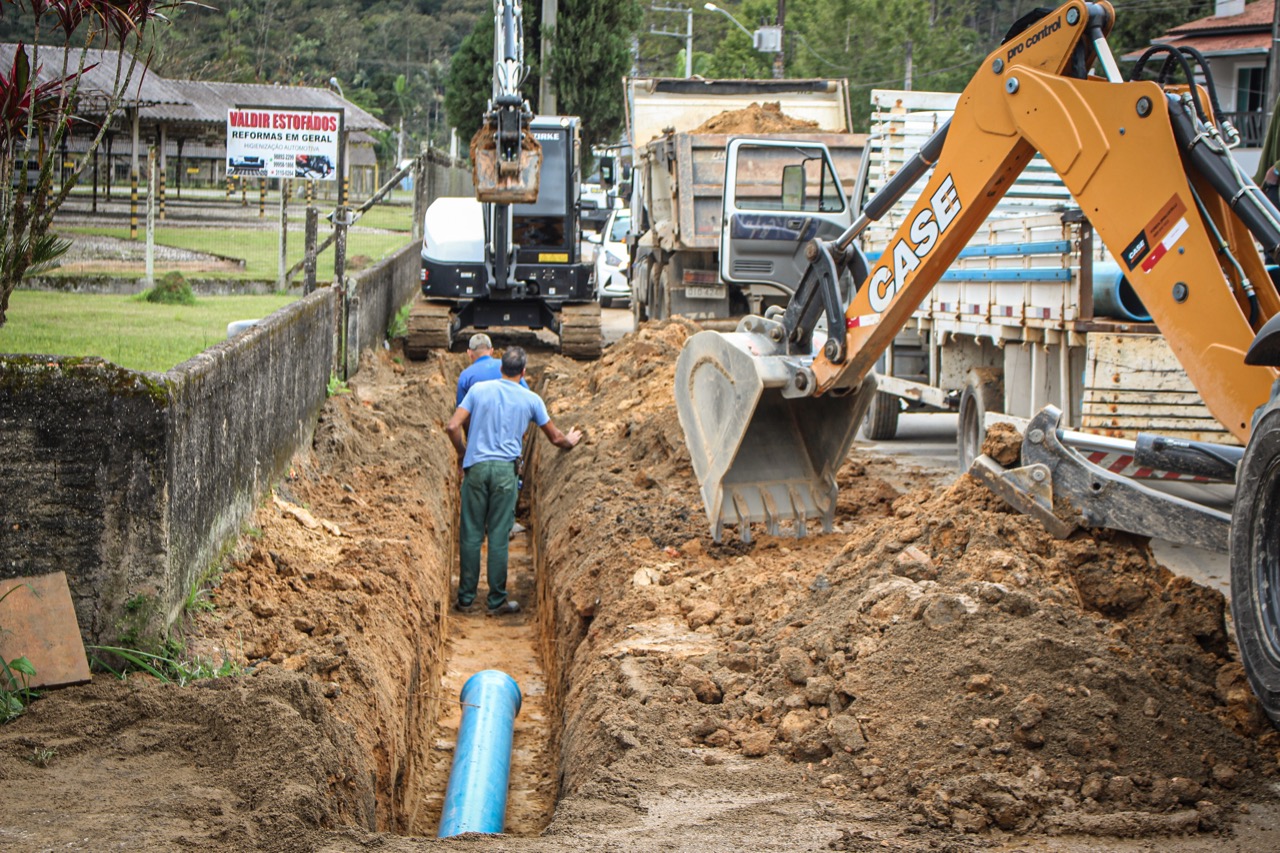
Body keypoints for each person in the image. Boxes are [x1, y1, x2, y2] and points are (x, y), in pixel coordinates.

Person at [445, 346, 581, 615]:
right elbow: (555, 437)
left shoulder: (478, 391)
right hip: (506, 474)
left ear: (501, 368)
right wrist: (571, 441)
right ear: (524, 371)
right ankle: (496, 601)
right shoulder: (531, 399)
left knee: (471, 534)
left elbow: (452, 426)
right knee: (498, 535)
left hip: (477, 469)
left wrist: (463, 453)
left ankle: (466, 599)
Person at [456, 333, 526, 405]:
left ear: (469, 353)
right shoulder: (507, 365)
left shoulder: (466, 375)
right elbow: (526, 393)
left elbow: (461, 408)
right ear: (492, 351)